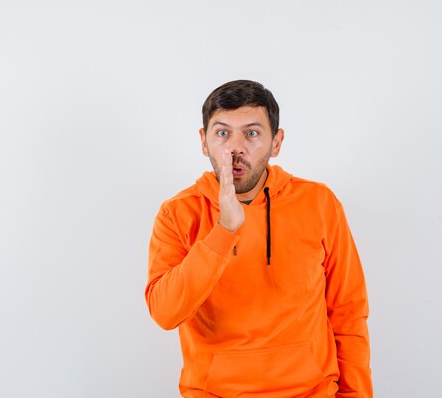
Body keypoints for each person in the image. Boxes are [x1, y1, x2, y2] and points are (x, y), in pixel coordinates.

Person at [145, 80, 373, 398]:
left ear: (276, 142)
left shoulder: (319, 203)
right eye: (223, 133)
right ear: (204, 141)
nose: (235, 148)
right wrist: (224, 231)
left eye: (252, 133)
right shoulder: (177, 213)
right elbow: (165, 312)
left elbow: (348, 310)